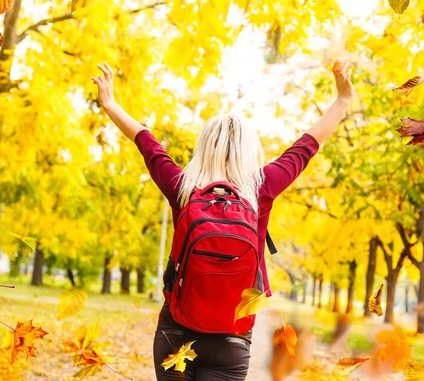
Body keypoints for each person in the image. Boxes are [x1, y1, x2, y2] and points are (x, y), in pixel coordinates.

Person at [92, 59, 354, 380]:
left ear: (204, 147)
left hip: (176, 329)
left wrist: (109, 103)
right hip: (232, 338)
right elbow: (306, 146)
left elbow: (147, 144)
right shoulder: (261, 187)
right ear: (248, 149)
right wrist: (342, 101)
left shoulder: (183, 187)